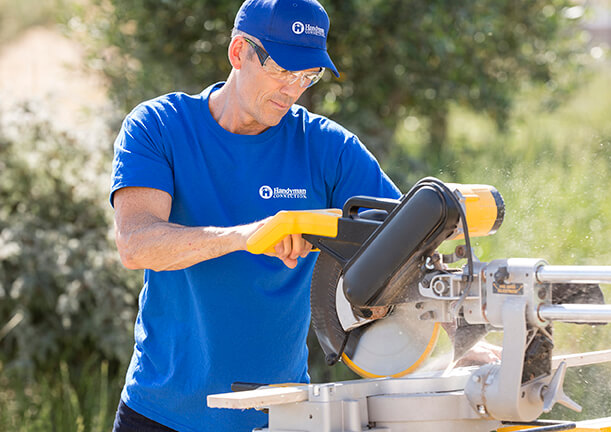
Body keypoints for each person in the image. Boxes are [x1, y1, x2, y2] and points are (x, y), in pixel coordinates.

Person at [110, 0, 402, 431]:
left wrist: (455, 342)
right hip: (159, 414)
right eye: (283, 70)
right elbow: (137, 245)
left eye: (307, 75)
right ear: (239, 52)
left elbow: (403, 240)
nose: (293, 89)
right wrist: (249, 235)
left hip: (278, 415)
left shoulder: (328, 148)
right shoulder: (159, 126)